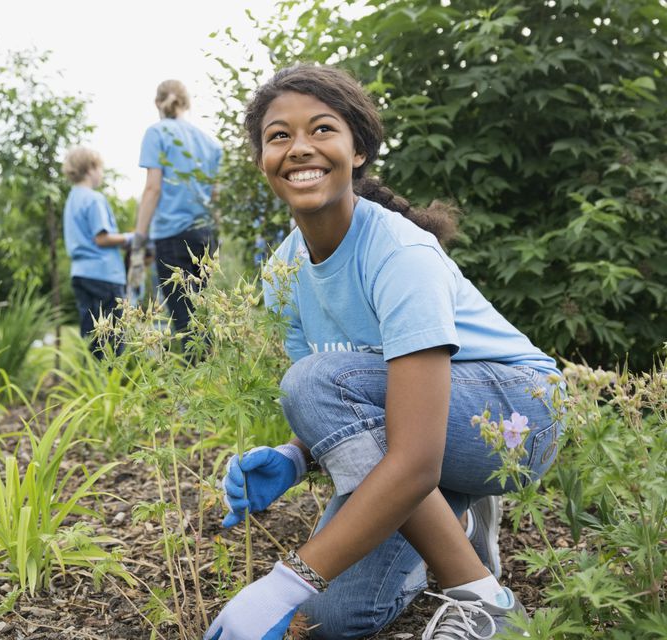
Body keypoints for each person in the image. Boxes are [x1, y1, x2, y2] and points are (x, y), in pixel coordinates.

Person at [206, 65, 565, 640]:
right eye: (278, 136)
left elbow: (402, 445)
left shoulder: (400, 254)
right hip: (425, 427)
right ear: (262, 160)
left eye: (322, 129)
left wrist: (283, 581)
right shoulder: (284, 271)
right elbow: (359, 413)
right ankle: (457, 515)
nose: (300, 148)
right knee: (337, 613)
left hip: (517, 415)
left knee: (312, 384)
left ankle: (481, 599)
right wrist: (297, 456)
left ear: (359, 148)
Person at [128, 79, 222, 343]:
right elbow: (215, 196)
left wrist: (139, 237)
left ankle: (198, 381)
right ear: (186, 103)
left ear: (158, 103)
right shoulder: (210, 144)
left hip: (172, 236)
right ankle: (212, 379)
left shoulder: (156, 133)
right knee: (204, 314)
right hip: (206, 236)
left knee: (185, 321)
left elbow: (153, 189)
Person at [61, 147, 132, 357]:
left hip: (81, 274)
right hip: (104, 276)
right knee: (112, 340)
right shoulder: (93, 199)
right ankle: (111, 388)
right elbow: (102, 238)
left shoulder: (72, 199)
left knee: (92, 339)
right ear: (91, 168)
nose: (101, 173)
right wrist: (130, 238)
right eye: (100, 168)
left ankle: (92, 386)